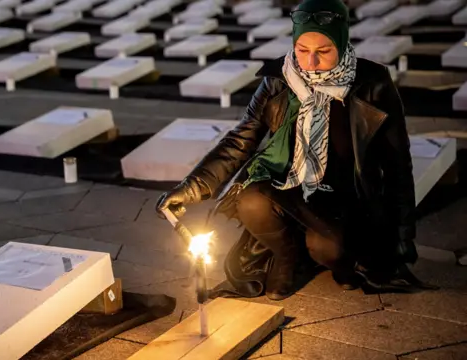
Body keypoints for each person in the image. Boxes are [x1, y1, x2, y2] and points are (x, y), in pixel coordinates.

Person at [155, 0, 423, 301]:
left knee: (327, 249)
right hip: (289, 187)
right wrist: (190, 189)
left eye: (323, 52)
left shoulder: (373, 83)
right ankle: (287, 255)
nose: (309, 64)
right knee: (251, 200)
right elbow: (239, 141)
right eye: (301, 50)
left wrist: (402, 241)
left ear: (342, 42)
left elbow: (398, 166)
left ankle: (330, 256)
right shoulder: (278, 80)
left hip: (344, 198)